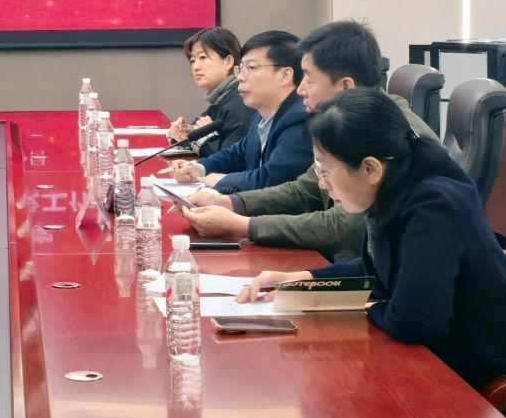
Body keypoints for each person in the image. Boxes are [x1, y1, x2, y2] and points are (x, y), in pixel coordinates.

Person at [237, 89, 506, 393]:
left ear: (370, 168)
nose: (323, 184)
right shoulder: (397, 186)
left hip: (485, 384)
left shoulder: (434, 206)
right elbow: (378, 270)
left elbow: (414, 321)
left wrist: (369, 306)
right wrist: (300, 279)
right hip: (435, 363)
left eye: (325, 170)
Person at [181, 19, 436, 258]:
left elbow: (344, 226)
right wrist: (231, 202)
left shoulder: (386, 131)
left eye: (309, 80)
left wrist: (246, 225)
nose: (300, 89)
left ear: (345, 86)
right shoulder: (344, 121)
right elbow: (305, 190)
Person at [169, 30, 310, 194]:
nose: (240, 77)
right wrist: (198, 168)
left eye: (251, 67)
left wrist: (219, 180)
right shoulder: (262, 115)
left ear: (285, 75)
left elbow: (271, 180)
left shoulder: (300, 119)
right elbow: (236, 154)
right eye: (241, 69)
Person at [166, 27, 252, 156]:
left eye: (202, 57)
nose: (195, 67)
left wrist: (205, 137)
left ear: (228, 62)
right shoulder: (222, 98)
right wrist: (182, 136)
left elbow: (230, 161)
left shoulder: (241, 101)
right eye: (193, 60)